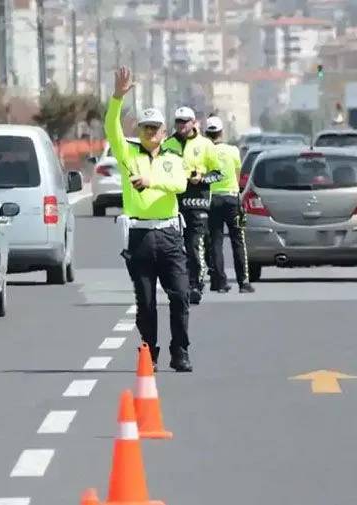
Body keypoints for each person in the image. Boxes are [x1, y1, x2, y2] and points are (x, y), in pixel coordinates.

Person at [105, 66, 193, 372]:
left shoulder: (173, 159)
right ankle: (149, 353)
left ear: (164, 133)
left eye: (155, 128)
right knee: (145, 301)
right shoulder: (129, 154)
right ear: (138, 130)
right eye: (145, 128)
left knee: (180, 295)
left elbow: (181, 185)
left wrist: (151, 182)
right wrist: (117, 97)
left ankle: (179, 350)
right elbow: (111, 128)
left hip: (169, 235)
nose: (150, 133)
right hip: (140, 237)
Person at [162, 106, 223, 305]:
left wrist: (202, 178)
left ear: (193, 122)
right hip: (173, 205)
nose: (181, 125)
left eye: (185, 121)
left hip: (198, 204)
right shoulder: (167, 144)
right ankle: (181, 285)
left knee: (195, 246)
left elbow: (219, 173)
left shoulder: (205, 145)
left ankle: (196, 285)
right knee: (175, 249)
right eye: (178, 121)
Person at [204, 116, 255, 294]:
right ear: (221, 132)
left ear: (206, 133)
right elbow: (238, 174)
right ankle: (243, 282)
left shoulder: (204, 151)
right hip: (232, 199)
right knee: (238, 240)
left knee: (215, 241)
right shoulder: (233, 151)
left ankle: (219, 282)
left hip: (212, 200)